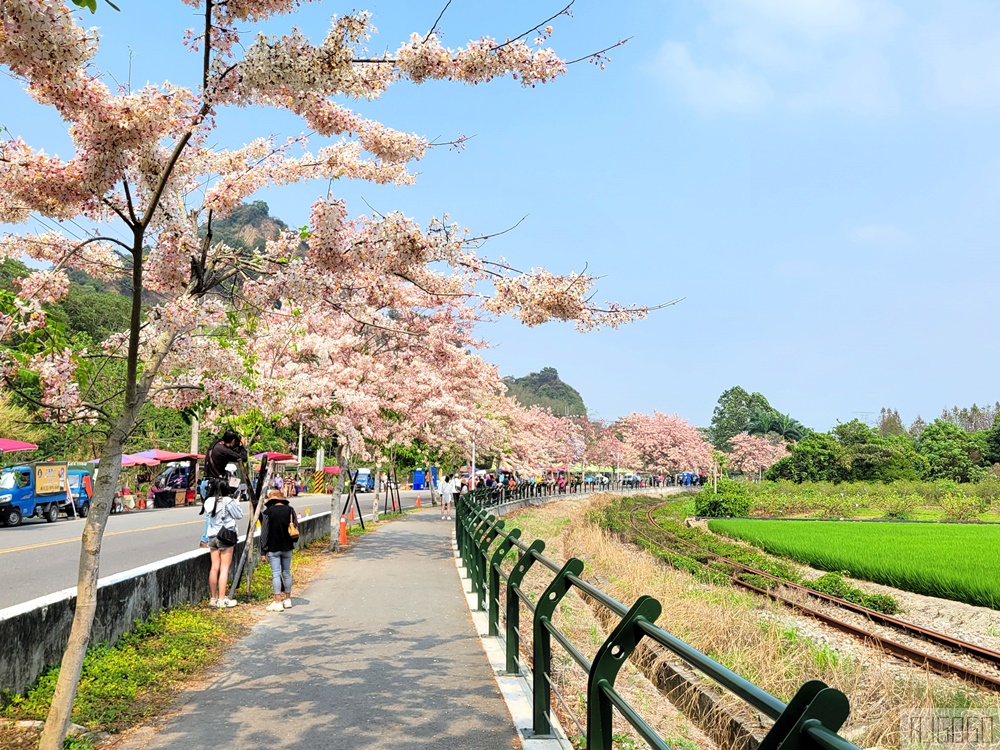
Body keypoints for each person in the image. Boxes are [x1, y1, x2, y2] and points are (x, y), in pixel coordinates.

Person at [200, 491, 244, 608]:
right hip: (225, 536)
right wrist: (237, 501)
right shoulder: (227, 500)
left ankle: (213, 598)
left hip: (212, 536)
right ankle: (222, 599)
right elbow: (239, 515)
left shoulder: (209, 500)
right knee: (224, 568)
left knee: (214, 567)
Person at [260, 489, 297, 612]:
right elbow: (295, 527)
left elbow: (264, 533)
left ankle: (277, 602)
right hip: (287, 547)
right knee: (286, 572)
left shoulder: (268, 512)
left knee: (276, 574)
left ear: (271, 501)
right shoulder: (290, 510)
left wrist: (263, 551)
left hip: (273, 547)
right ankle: (287, 600)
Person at [202, 430, 248, 505]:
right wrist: (241, 446)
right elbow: (244, 458)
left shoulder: (215, 444)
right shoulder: (225, 451)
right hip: (215, 485)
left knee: (210, 513)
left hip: (206, 483)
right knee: (219, 513)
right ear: (233, 441)